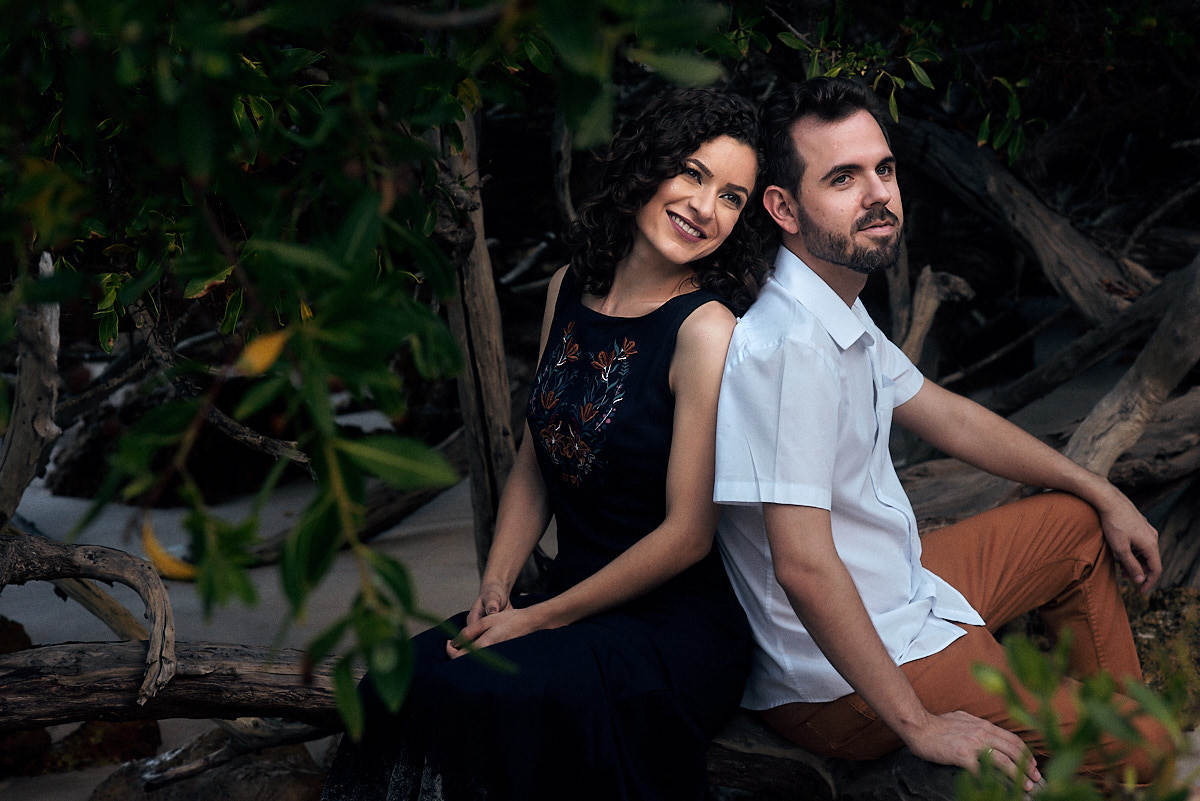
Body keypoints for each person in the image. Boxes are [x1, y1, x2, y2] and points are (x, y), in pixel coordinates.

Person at [712, 76, 1173, 793]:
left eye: (884, 169)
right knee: (1152, 748)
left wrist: (1097, 486)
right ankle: (1123, 754)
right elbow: (802, 565)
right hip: (838, 673)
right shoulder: (787, 348)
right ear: (783, 207)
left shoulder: (834, 302)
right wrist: (922, 725)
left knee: (1077, 526)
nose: (878, 194)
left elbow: (945, 412)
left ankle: (1103, 746)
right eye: (842, 178)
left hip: (899, 586)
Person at [321, 86, 768, 801]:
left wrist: (538, 616)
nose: (705, 207)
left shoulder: (705, 330)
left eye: (733, 196)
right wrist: (497, 585)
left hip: (669, 628)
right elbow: (537, 458)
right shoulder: (569, 287)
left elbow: (688, 535)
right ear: (648, 167)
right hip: (564, 594)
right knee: (395, 681)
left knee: (500, 701)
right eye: (692, 171)